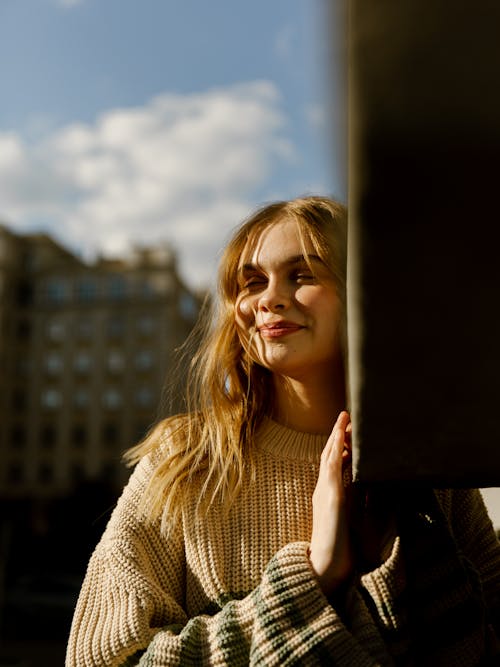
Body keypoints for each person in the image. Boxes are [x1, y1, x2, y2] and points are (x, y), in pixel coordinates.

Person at [66, 196, 500, 666]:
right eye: (252, 282)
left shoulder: (426, 467)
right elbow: (101, 658)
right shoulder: (183, 461)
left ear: (362, 292)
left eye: (303, 274)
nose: (269, 299)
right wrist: (310, 580)